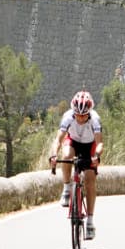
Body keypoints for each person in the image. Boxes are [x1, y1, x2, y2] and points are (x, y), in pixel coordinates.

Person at [49, 90, 103, 240]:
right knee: (66, 156)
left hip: (89, 146)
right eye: (77, 115)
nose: (80, 118)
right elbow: (58, 140)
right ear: (73, 112)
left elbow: (99, 143)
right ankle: (67, 188)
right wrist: (54, 155)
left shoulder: (95, 119)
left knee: (90, 180)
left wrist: (96, 156)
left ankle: (90, 222)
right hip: (73, 142)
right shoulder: (67, 117)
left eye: (84, 115)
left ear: (89, 113)